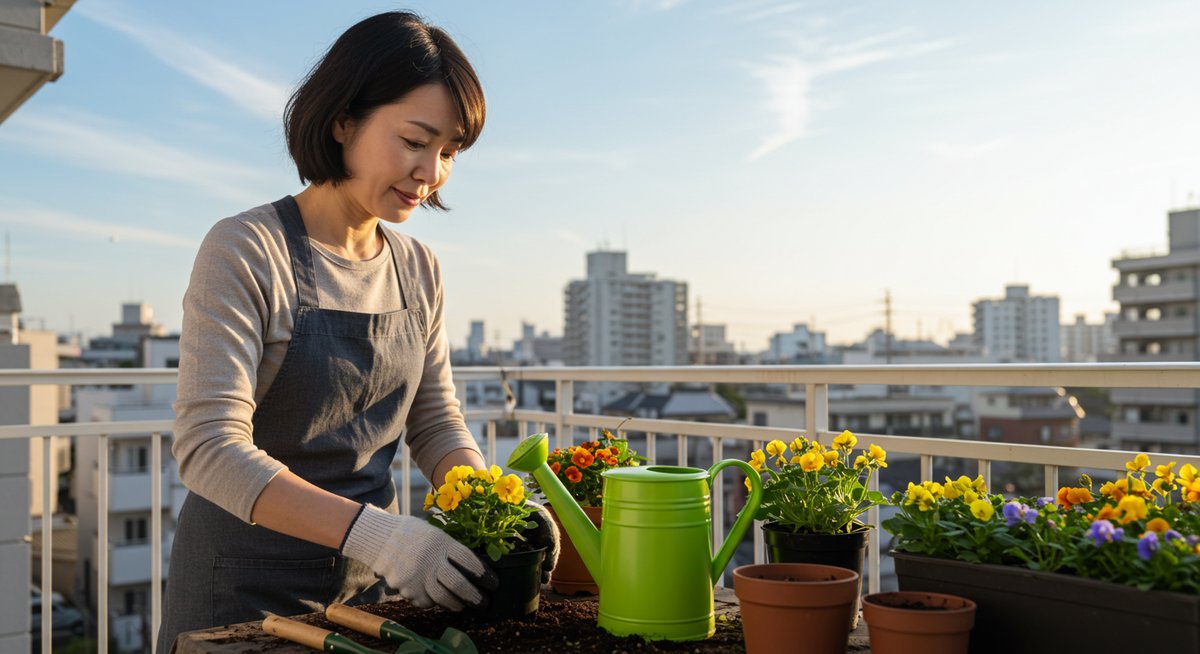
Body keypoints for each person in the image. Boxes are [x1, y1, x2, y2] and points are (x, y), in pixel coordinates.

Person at [158, 12, 558, 651]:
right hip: (242, 588)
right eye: (414, 140)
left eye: (449, 152)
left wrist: (495, 512)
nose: (431, 173)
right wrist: (384, 535)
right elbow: (209, 447)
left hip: (374, 591)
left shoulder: (419, 267)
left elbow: (434, 421)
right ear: (344, 120)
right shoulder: (245, 248)